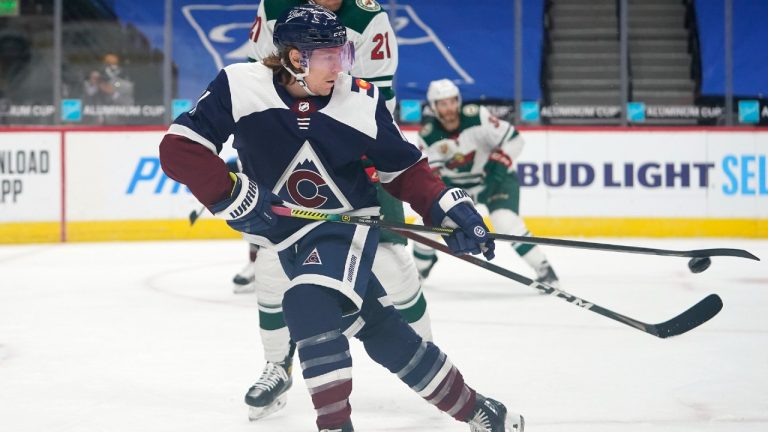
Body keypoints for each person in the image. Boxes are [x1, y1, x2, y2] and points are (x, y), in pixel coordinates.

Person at [159, 5, 523, 431]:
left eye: (344, 54)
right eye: (332, 57)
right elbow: (179, 148)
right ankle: (481, 411)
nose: (343, 66)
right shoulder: (239, 85)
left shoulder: (361, 100)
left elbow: (405, 169)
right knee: (387, 336)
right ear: (296, 59)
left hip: (343, 225)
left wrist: (453, 210)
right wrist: (232, 192)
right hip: (284, 238)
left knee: (305, 302)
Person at [235, 0, 433, 421]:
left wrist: (367, 157)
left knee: (392, 263)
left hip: (354, 156)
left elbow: (382, 97)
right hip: (289, 155)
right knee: (271, 268)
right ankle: (277, 366)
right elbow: (255, 76)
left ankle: (427, 358)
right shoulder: (274, 7)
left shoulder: (368, 17)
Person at [414, 79, 560, 288]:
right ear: (434, 107)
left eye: (452, 102)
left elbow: (514, 139)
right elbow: (433, 176)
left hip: (495, 181)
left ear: (459, 101)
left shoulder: (478, 116)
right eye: (443, 104)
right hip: (458, 190)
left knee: (505, 222)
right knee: (427, 227)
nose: (449, 109)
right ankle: (419, 271)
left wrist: (500, 164)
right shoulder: (427, 136)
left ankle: (544, 269)